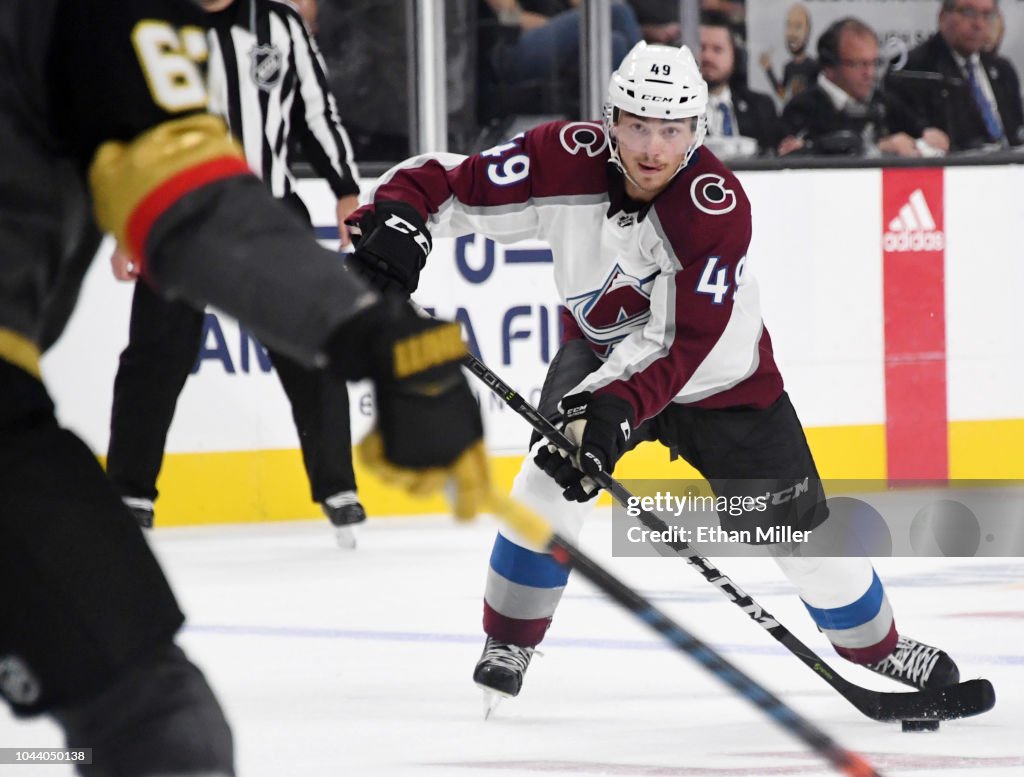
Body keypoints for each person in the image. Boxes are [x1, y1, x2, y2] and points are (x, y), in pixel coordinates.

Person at [342, 40, 961, 707]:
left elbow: (681, 344)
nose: (652, 147)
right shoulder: (560, 156)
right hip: (605, 357)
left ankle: (879, 645)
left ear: (697, 131)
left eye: (672, 130)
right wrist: (402, 219)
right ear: (609, 118)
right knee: (549, 474)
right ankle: (510, 636)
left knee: (796, 527)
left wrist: (605, 410)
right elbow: (450, 181)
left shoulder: (715, 208)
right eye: (636, 124)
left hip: (722, 380)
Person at [0, 0, 486, 773]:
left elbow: (273, 140)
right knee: (162, 732)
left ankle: (330, 484)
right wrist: (367, 330)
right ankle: (136, 488)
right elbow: (190, 205)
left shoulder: (261, 30)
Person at [106, 0, 368, 547]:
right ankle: (129, 493)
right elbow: (123, 125)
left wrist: (345, 188)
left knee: (314, 348)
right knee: (156, 352)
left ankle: (337, 488)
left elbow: (315, 110)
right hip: (175, 213)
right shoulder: (151, 23)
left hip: (267, 209)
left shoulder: (279, 24)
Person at [779, 18, 949, 158]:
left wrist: (928, 137)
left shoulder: (884, 102)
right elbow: (803, 155)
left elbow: (919, 129)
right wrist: (879, 148)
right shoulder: (802, 108)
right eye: (859, 64)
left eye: (874, 63)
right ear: (830, 67)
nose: (870, 73)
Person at [885, 0, 1023, 150]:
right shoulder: (913, 69)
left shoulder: (1002, 69)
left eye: (987, 15)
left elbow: (1017, 132)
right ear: (943, 16)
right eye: (969, 13)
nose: (979, 24)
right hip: (955, 168)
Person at [700, 11, 782, 157]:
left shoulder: (760, 106)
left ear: (735, 55)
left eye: (717, 49)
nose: (707, 57)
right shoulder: (676, 108)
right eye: (701, 48)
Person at [759, 2, 818, 100]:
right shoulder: (788, 67)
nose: (792, 33)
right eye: (789, 25)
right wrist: (768, 69)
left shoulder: (814, 66)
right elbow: (782, 93)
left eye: (798, 26)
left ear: (807, 31)